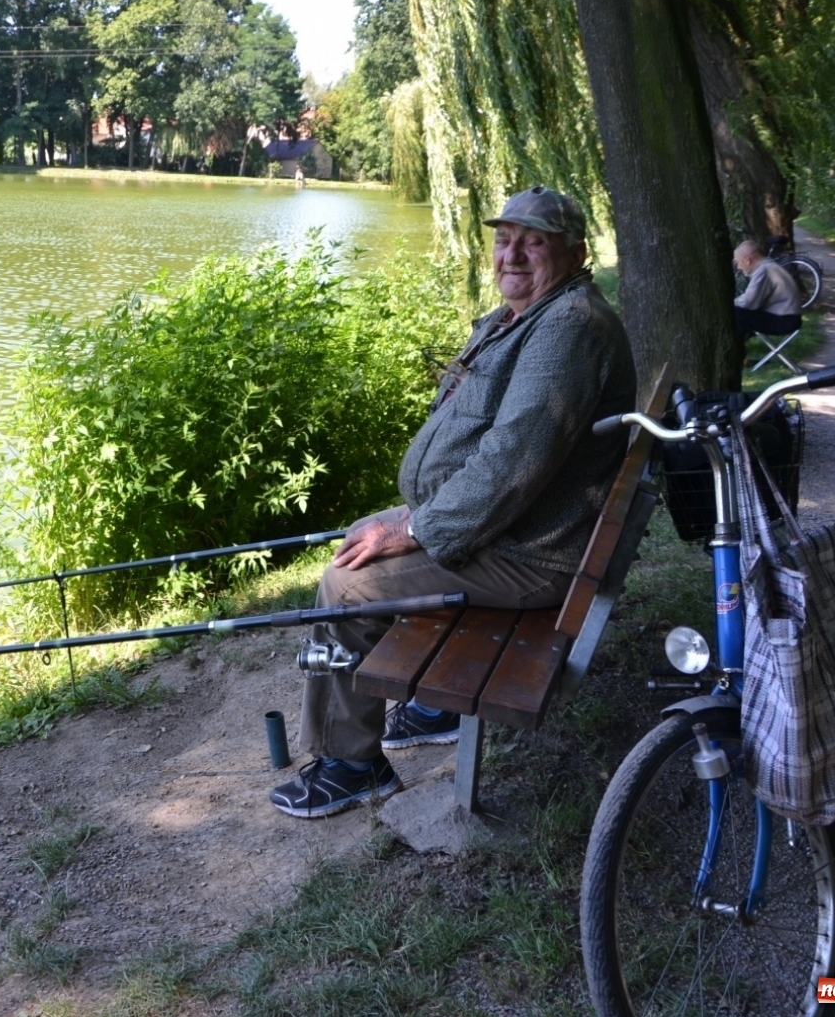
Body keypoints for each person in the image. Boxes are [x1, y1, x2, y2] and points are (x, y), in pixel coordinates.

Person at [270, 185, 637, 819]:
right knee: (361, 536)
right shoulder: (531, 315)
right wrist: (410, 518)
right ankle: (434, 709)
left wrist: (414, 529)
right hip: (512, 528)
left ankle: (352, 765)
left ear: (575, 254)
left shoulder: (570, 329)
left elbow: (512, 462)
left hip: (533, 553)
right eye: (504, 240)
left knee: (347, 587)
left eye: (534, 243)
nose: (511, 255)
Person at [731, 238, 802, 337]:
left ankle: (737, 343)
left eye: (738, 262)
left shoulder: (763, 271)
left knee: (736, 312)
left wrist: (729, 304)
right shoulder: (768, 266)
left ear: (747, 260)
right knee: (740, 313)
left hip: (784, 320)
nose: (738, 267)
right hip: (788, 318)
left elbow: (748, 302)